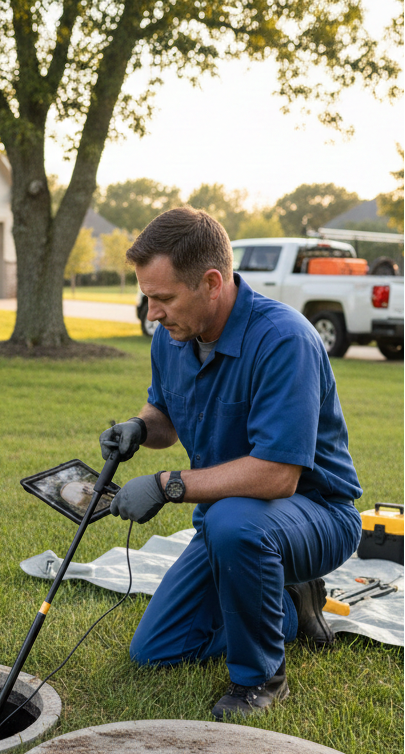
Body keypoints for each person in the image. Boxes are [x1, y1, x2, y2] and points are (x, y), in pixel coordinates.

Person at [101, 207, 362, 720]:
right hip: (230, 520)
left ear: (212, 282)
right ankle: (289, 605)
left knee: (233, 524)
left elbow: (277, 476)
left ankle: (261, 679)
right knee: (154, 650)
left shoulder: (284, 340)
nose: (152, 313)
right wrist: (139, 428)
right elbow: (164, 417)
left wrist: (166, 485)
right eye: (147, 297)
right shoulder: (172, 337)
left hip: (316, 514)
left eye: (164, 298)